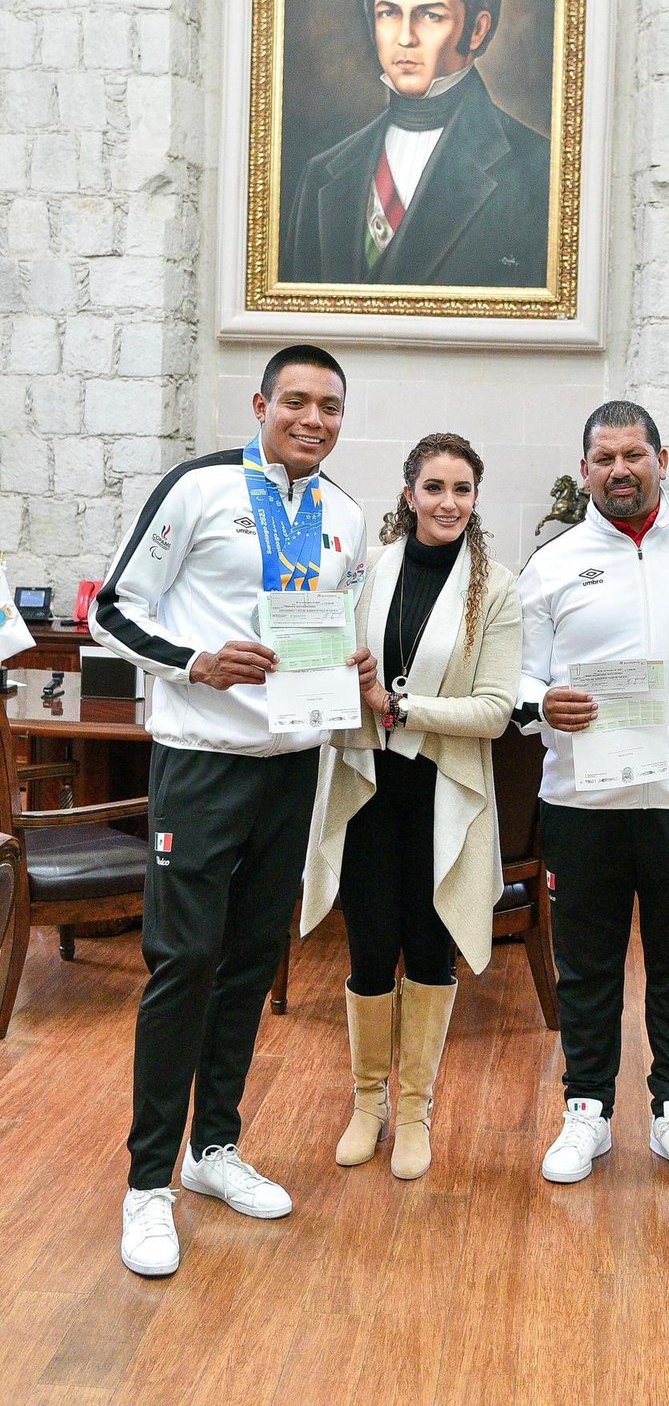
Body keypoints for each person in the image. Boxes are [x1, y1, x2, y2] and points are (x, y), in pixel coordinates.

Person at [90, 344, 366, 1277]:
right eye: (296, 400)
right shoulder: (199, 487)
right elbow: (112, 611)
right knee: (182, 964)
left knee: (250, 962)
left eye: (329, 405)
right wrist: (196, 661)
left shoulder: (347, 515)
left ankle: (213, 1151)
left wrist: (353, 666)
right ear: (261, 403)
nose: (314, 418)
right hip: (202, 764)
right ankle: (146, 1186)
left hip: (293, 764)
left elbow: (339, 630)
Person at [515, 401, 669, 1185]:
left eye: (634, 454)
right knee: (585, 965)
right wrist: (542, 702)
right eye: (604, 457)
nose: (620, 469)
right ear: (585, 470)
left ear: (662, 459)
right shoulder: (551, 562)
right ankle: (588, 1110)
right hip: (582, 801)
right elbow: (519, 673)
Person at [302, 432, 521, 1180]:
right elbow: (329, 665)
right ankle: (369, 1102)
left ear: (475, 499)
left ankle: (418, 1108)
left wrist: (397, 705)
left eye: (462, 489)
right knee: (368, 949)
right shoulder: (364, 574)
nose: (449, 502)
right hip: (368, 787)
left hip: (441, 793)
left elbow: (495, 710)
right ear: (408, 494)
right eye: (435, 487)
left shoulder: (496, 589)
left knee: (429, 949)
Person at [282, 0, 551, 288]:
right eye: (389, 13)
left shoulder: (537, 172)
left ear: (477, 29)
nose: (405, 38)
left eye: (430, 15)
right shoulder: (322, 173)